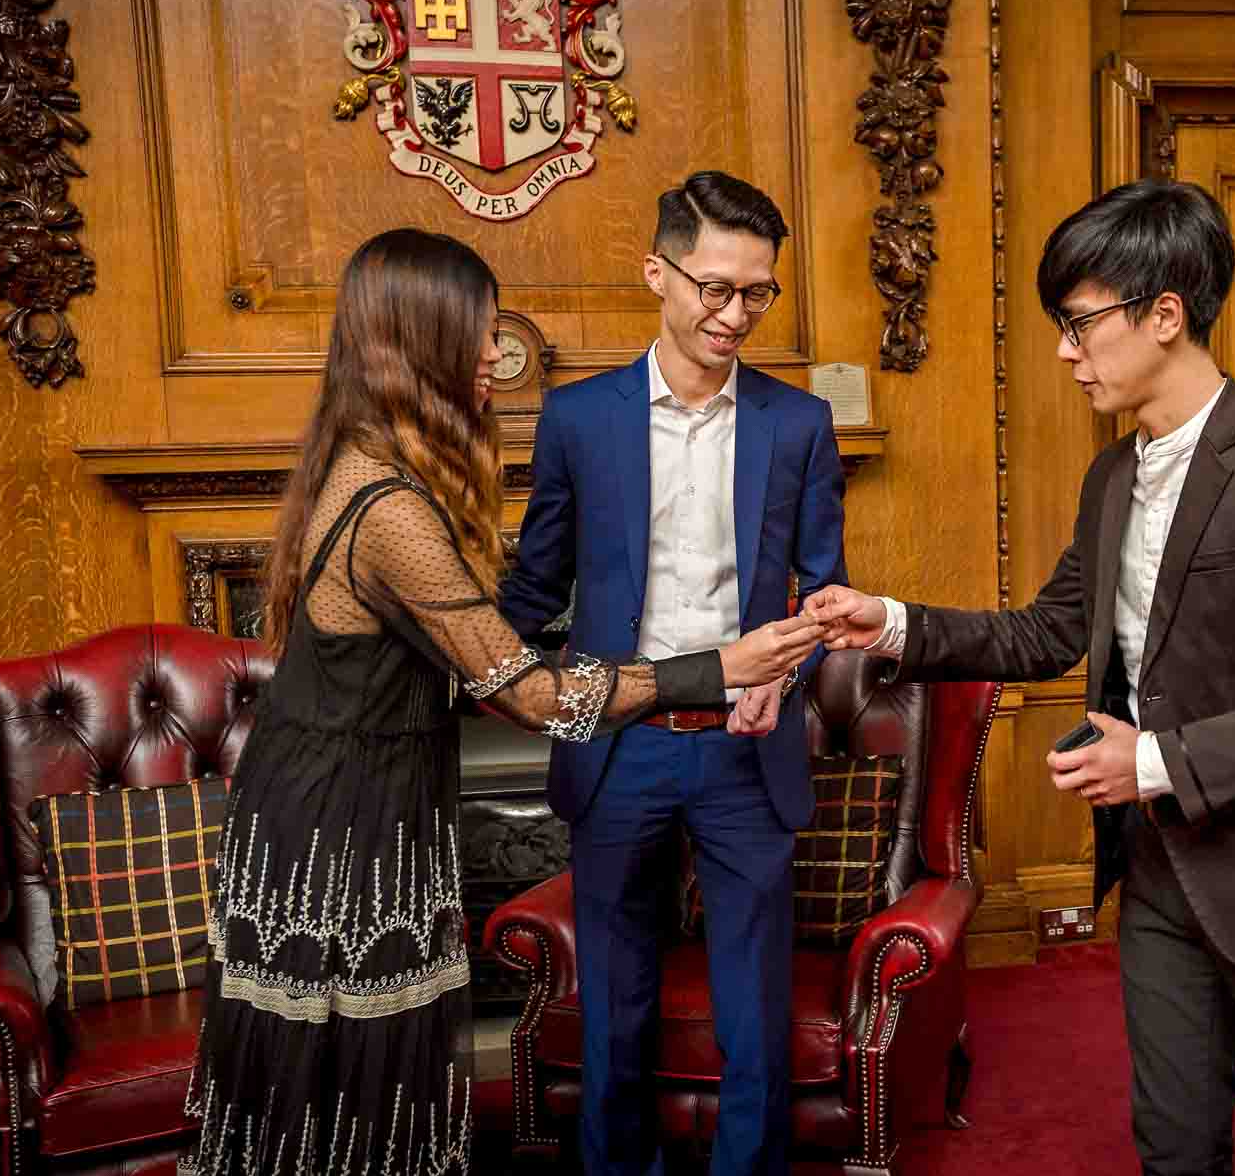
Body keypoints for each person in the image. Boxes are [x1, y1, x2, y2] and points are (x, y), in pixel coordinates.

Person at [179, 228, 823, 1176]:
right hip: (339, 819)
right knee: (343, 1085)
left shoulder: (363, 467)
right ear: (421, 342)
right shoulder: (390, 506)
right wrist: (717, 668)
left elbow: (478, 646)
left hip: (358, 798)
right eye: (478, 332)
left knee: (352, 1085)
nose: (496, 353)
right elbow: (530, 694)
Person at [805, 180, 1235, 1176]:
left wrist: (1159, 759)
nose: (1063, 351)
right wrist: (893, 624)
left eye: (1080, 323)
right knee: (1172, 1147)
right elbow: (1046, 633)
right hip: (1160, 876)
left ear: (1165, 314)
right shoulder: (1113, 478)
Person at [500, 171, 848, 1176]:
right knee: (613, 1002)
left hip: (747, 750)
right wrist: (464, 662)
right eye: (712, 287)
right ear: (657, 272)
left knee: (754, 1009)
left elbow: (825, 594)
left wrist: (789, 669)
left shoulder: (799, 424)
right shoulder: (577, 421)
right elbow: (534, 589)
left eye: (756, 294)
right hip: (619, 745)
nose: (733, 315)